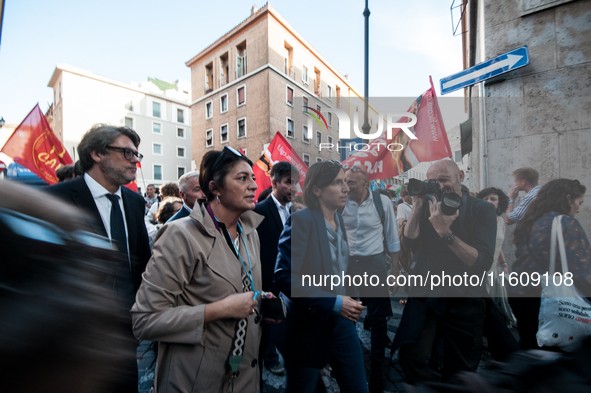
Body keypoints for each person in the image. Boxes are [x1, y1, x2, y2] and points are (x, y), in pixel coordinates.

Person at [131, 146, 267, 393]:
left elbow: (242, 287)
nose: (254, 186)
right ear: (214, 188)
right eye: (242, 178)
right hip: (195, 380)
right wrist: (218, 310)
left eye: (253, 178)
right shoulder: (179, 235)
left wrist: (262, 302)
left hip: (246, 378)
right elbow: (145, 320)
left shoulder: (251, 232)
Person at [45, 124, 151, 392]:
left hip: (125, 337)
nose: (135, 162)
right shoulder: (55, 200)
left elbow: (141, 264)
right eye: (127, 153)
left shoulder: (135, 202)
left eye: (137, 155)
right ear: (96, 153)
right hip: (72, 338)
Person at [393, 159, 497, 384]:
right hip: (427, 291)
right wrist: (419, 204)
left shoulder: (482, 209)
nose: (439, 186)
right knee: (411, 354)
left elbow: (480, 262)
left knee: (461, 368)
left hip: (464, 295)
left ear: (460, 176)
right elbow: (410, 240)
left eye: (444, 179)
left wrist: (444, 231)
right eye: (433, 181)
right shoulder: (429, 205)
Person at [274, 160, 368, 393]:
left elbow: (340, 268)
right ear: (317, 190)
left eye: (345, 182)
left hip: (342, 323)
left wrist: (351, 297)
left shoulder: (339, 221)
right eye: (338, 183)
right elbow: (285, 277)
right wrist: (334, 302)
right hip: (308, 326)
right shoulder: (301, 221)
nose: (346, 188)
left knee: (358, 387)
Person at [510, 179, 590, 350]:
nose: (579, 208)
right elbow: (580, 269)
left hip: (520, 295)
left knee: (531, 353)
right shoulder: (566, 223)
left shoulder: (530, 221)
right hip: (551, 299)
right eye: (579, 202)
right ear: (568, 198)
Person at [341, 164, 400, 392]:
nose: (346, 186)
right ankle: (350, 361)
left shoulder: (381, 202)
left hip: (373, 265)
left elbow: (393, 239)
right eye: (344, 181)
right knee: (347, 314)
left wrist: (394, 273)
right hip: (347, 266)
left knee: (377, 319)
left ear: (365, 183)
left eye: (351, 182)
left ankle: (376, 367)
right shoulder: (341, 201)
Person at [253, 161, 299, 377]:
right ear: (274, 182)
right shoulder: (259, 211)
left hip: (291, 282)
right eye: (289, 183)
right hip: (267, 281)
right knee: (267, 327)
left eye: (295, 183)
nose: (293, 188)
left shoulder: (298, 210)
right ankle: (268, 358)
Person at [476, 187, 517, 326]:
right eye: (485, 198)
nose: (489, 201)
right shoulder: (476, 220)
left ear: (500, 203)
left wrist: (504, 264)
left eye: (493, 199)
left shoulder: (500, 222)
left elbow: (497, 245)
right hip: (478, 272)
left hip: (493, 272)